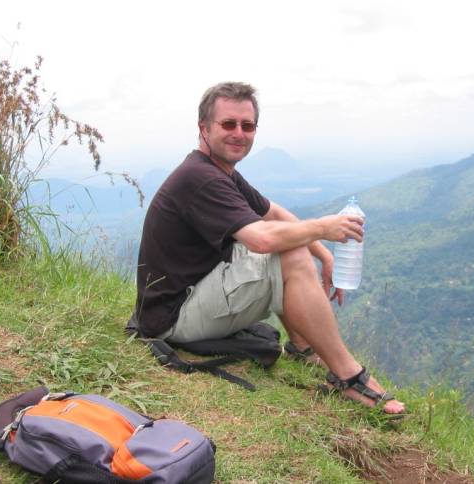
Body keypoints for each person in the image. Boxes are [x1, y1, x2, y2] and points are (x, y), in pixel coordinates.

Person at [135, 82, 405, 414]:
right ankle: (348, 376)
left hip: (178, 301)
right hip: (174, 318)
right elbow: (263, 239)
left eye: (248, 126)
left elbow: (272, 212)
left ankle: (305, 348)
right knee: (286, 251)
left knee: (290, 242)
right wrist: (323, 227)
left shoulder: (218, 171)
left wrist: (320, 252)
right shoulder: (200, 178)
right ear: (203, 128)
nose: (239, 133)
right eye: (228, 124)